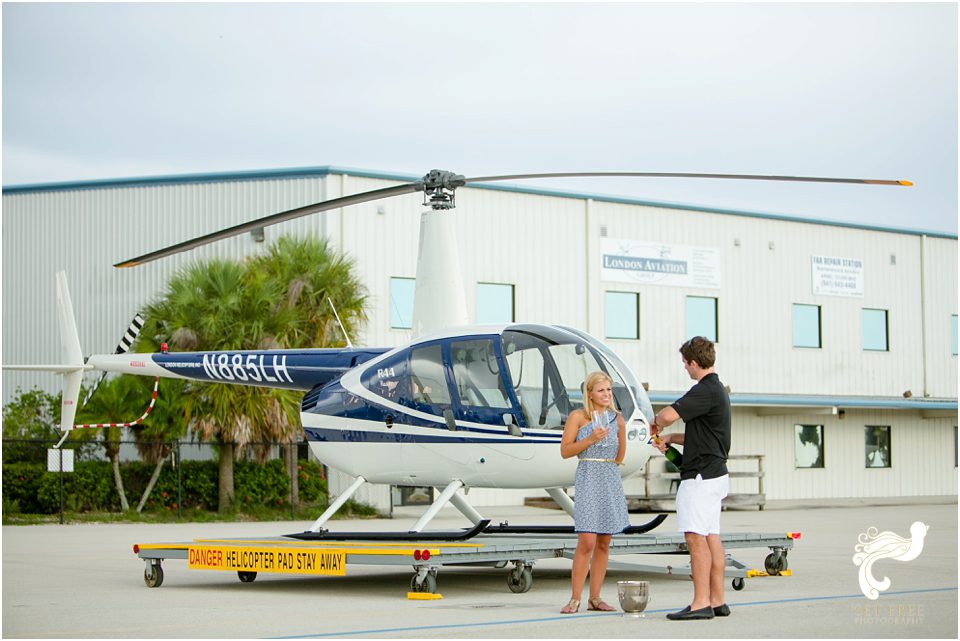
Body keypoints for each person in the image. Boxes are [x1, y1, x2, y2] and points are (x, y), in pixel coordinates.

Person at [650, 336, 732, 620]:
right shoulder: (718, 391)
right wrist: (671, 439)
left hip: (699, 478)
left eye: (685, 364)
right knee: (711, 537)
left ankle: (700, 603)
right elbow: (704, 437)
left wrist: (656, 424)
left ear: (694, 363)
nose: (685, 368)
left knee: (695, 539)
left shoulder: (704, 390)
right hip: (715, 474)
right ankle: (718, 600)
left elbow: (666, 415)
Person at [558, 371, 630, 614]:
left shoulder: (617, 419)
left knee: (604, 542)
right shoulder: (578, 417)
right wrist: (590, 439)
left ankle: (596, 598)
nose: (607, 394)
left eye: (609, 390)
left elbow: (621, 456)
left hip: (609, 478)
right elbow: (566, 451)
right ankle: (575, 598)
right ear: (590, 393)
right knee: (586, 541)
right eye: (601, 390)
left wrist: (609, 458)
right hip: (588, 476)